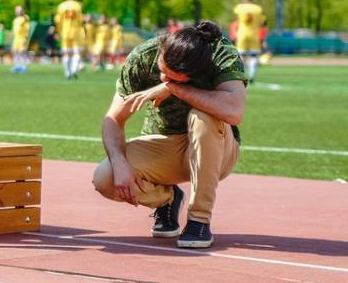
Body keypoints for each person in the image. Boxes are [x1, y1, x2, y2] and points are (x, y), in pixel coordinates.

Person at [92, 21, 247, 248]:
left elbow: (234, 110)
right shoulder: (144, 56)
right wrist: (119, 161)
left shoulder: (222, 54)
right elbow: (114, 119)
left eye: (173, 77)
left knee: (202, 117)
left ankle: (198, 221)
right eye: (162, 70)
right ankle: (168, 198)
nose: (163, 79)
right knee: (106, 177)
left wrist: (174, 89)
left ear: (194, 75)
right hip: (164, 146)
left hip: (216, 149)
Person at [233, 0, 265, 83]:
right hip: (254, 34)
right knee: (254, 56)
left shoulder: (239, 7)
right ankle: (252, 75)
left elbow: (237, 16)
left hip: (242, 34)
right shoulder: (258, 9)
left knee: (240, 56)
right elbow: (262, 22)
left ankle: (241, 75)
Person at [54, 0, 84, 79]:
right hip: (75, 31)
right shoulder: (78, 5)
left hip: (64, 31)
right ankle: (74, 70)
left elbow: (57, 20)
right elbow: (80, 20)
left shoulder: (61, 6)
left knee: (66, 53)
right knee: (76, 52)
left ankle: (67, 72)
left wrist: (57, 32)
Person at [10, 6, 30, 74]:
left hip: (22, 37)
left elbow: (27, 29)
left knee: (22, 52)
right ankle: (17, 66)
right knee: (15, 52)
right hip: (16, 38)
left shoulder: (25, 18)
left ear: (22, 10)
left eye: (19, 10)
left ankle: (24, 67)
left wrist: (25, 38)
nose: (18, 11)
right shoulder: (15, 19)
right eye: (17, 10)